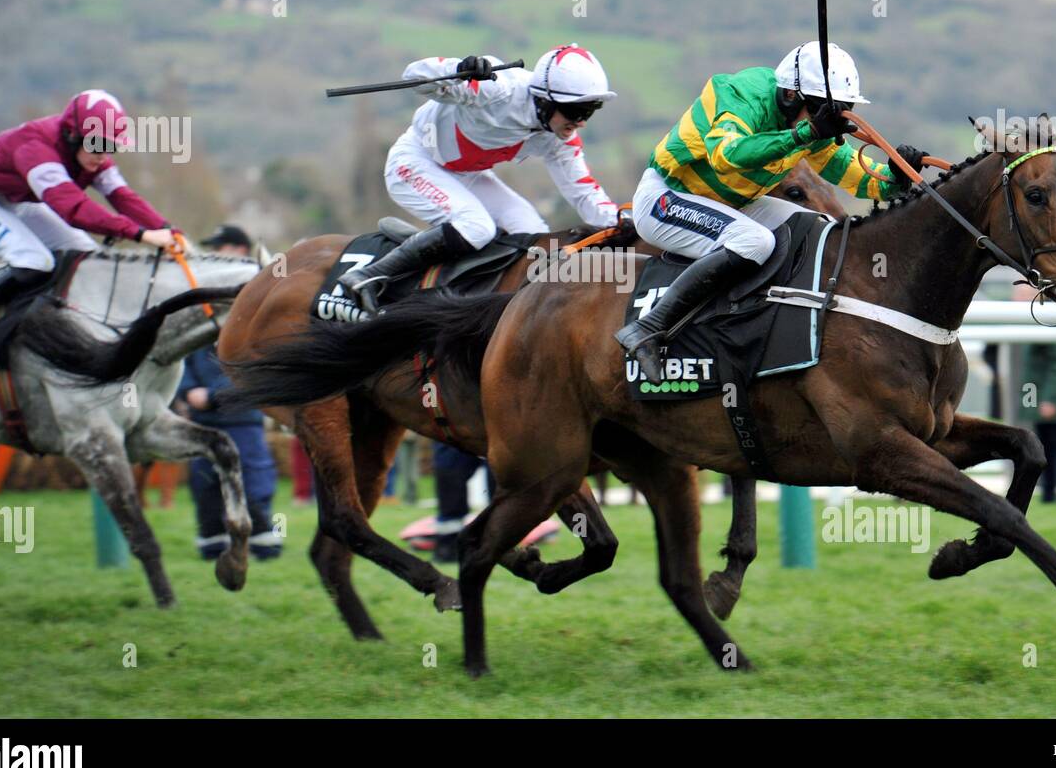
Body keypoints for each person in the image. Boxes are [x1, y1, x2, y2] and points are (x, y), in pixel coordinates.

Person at [615, 42, 923, 381]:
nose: (830, 121)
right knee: (756, 243)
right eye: (825, 111)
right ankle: (648, 328)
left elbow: (844, 168)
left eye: (842, 110)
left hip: (733, 204)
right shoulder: (741, 95)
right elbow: (727, 154)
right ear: (791, 95)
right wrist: (803, 133)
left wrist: (893, 179)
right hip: (667, 197)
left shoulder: (806, 117)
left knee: (816, 227)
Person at [336, 46, 630, 313]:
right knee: (476, 228)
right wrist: (459, 70)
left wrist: (621, 221)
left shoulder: (560, 138)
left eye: (590, 111)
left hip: (465, 175)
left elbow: (583, 193)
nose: (580, 122)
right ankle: (367, 276)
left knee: (533, 234)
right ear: (545, 100)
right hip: (415, 163)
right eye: (576, 111)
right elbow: (415, 76)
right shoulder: (496, 89)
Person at [0, 90, 181, 361]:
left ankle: (59, 320)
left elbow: (123, 197)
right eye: (98, 144)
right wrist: (140, 234)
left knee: (87, 255)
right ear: (73, 136)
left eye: (111, 146)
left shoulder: (91, 154)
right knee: (34, 261)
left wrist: (168, 229)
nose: (103, 154)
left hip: (18, 198)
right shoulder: (36, 150)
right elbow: (73, 209)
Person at [178, 224, 283, 559]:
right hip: (203, 420)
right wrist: (187, 389)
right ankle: (213, 544)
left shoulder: (258, 308)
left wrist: (210, 395)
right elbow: (180, 354)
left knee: (253, 480)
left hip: (240, 417)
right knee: (205, 482)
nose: (211, 253)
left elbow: (256, 364)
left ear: (238, 250)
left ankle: (264, 543)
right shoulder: (201, 305)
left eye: (219, 247)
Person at [1014, 282, 1056, 504]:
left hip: (1054, 396)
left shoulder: (1047, 320)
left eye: (1020, 296)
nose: (1015, 301)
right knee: (1046, 449)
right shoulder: (1039, 319)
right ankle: (1049, 493)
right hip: (1045, 396)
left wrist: (1050, 399)